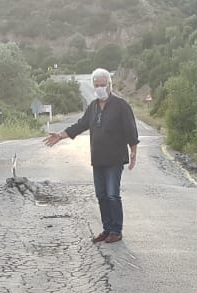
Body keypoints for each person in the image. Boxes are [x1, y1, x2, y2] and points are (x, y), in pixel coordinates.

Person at [44, 68, 139, 243]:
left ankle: (116, 231)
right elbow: (80, 125)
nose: (100, 88)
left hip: (115, 159)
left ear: (109, 85)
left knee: (112, 195)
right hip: (98, 159)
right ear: (94, 86)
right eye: (97, 86)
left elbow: (131, 130)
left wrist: (133, 151)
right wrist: (60, 135)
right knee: (101, 195)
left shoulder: (121, 106)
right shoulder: (93, 107)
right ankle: (107, 229)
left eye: (103, 85)